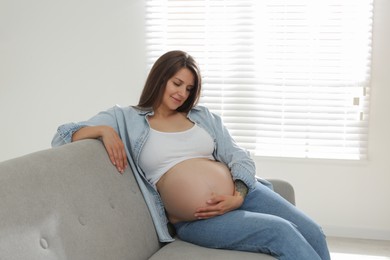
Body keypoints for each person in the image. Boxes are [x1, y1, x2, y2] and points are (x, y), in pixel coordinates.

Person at [52, 50, 331, 259]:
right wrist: (103, 130)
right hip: (199, 218)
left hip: (245, 193)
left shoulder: (203, 117)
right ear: (160, 79)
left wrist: (237, 196)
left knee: (314, 231)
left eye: (188, 88)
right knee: (281, 232)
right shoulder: (126, 118)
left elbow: (238, 156)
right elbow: (62, 136)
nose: (182, 93)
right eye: (176, 83)